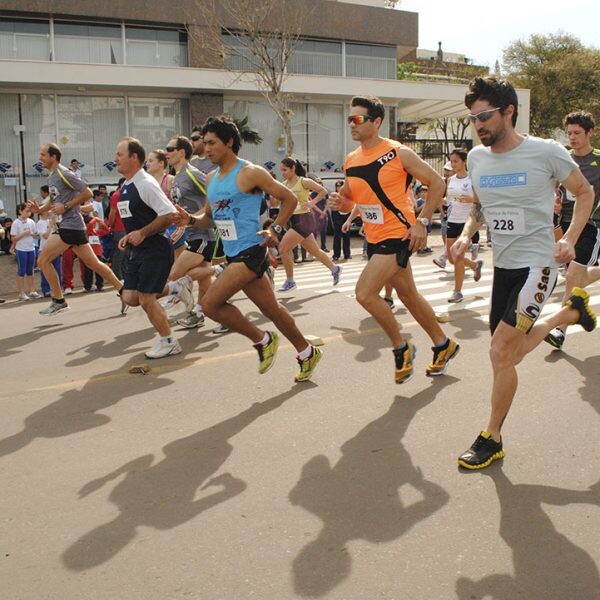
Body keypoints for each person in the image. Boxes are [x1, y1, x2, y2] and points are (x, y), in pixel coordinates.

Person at [452, 76, 596, 470]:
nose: (478, 124)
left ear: (508, 112)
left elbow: (584, 192)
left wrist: (569, 237)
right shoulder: (478, 159)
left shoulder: (546, 152)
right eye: (473, 118)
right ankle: (569, 314)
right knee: (507, 356)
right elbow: (480, 206)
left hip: (539, 265)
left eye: (485, 115)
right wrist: (467, 235)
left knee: (500, 351)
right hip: (504, 267)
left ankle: (491, 437)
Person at [174, 115, 322, 382]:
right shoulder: (210, 179)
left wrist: (276, 228)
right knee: (272, 310)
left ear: (229, 142)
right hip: (233, 254)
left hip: (251, 250)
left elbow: (288, 198)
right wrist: (191, 219)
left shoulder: (249, 172)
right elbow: (210, 217)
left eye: (212, 143)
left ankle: (262, 340)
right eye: (204, 143)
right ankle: (306, 351)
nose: (206, 149)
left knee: (209, 305)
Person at [336, 95, 459, 384]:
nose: (352, 124)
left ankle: (401, 348)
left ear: (376, 122)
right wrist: (339, 204)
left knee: (365, 294)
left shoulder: (397, 153)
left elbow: (437, 183)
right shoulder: (351, 159)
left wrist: (422, 221)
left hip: (399, 234)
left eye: (358, 119)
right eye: (349, 119)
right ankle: (444, 345)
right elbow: (353, 199)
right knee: (409, 296)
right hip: (374, 237)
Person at [28, 143, 123, 316]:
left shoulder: (64, 173)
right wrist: (39, 210)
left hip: (69, 226)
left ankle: (59, 300)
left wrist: (66, 206)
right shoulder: (53, 176)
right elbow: (54, 200)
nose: (40, 158)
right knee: (93, 263)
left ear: (53, 157)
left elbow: (87, 193)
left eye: (43, 155)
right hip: (72, 226)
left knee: (42, 261)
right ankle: (123, 291)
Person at [114, 137, 183, 359]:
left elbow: (170, 214)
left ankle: (169, 341)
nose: (115, 159)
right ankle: (175, 288)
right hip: (139, 250)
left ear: (134, 157)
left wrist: (142, 233)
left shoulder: (145, 183)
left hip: (156, 248)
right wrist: (128, 236)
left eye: (120, 154)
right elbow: (138, 218)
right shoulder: (127, 185)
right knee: (130, 298)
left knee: (145, 298)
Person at [545, 110, 600, 349]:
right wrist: (553, 200)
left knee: (572, 278)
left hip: (591, 225)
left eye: (577, 133)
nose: (572, 137)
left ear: (590, 133)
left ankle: (559, 328)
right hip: (565, 224)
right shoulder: (563, 158)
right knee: (575, 278)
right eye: (569, 133)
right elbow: (552, 187)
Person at [165, 135, 222, 330]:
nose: (167, 153)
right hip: (192, 233)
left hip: (203, 233)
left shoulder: (192, 173)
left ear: (181, 152)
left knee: (175, 274)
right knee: (205, 279)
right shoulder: (176, 177)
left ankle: (220, 269)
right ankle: (200, 313)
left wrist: (193, 218)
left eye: (170, 148)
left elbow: (212, 197)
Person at [277, 157, 341, 292]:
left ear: (293, 168)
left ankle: (290, 281)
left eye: (285, 170)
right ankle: (335, 269)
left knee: (283, 248)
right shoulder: (284, 184)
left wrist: (313, 202)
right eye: (281, 170)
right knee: (315, 251)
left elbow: (323, 191)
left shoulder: (303, 181)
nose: (282, 173)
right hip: (293, 220)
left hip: (304, 219)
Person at [442, 147, 484, 303]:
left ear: (464, 162)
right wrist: (444, 204)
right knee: (453, 259)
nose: (453, 164)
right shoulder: (450, 180)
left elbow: (479, 200)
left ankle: (457, 292)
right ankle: (474, 265)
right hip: (452, 220)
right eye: (451, 161)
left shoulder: (471, 179)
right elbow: (448, 199)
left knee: (458, 256)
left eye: (456, 161)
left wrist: (470, 199)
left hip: (467, 223)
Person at [145, 149, 187, 259]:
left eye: (150, 160)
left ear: (161, 163)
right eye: (147, 161)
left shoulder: (170, 180)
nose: (147, 163)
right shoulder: (148, 182)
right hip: (158, 227)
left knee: (170, 259)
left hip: (174, 226)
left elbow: (182, 202)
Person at [10, 202, 41, 300]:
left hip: (31, 248)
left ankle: (32, 291)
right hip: (21, 250)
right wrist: (23, 234)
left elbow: (37, 234)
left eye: (29, 211)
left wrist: (32, 234)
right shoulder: (16, 223)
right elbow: (13, 239)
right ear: (20, 211)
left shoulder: (31, 222)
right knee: (21, 271)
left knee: (30, 271)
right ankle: (21, 293)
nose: (29, 213)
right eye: (26, 211)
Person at [107, 178, 128, 281]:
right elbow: (112, 213)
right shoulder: (117, 195)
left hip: (127, 228)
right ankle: (118, 278)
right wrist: (110, 226)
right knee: (119, 255)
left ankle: (124, 277)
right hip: (120, 229)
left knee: (125, 255)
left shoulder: (127, 194)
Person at [331, 179, 352, 261]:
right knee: (337, 235)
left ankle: (347, 254)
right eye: (337, 186)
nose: (339, 188)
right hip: (337, 215)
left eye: (341, 186)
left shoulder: (348, 195)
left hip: (346, 215)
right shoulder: (334, 195)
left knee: (346, 235)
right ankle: (336, 254)